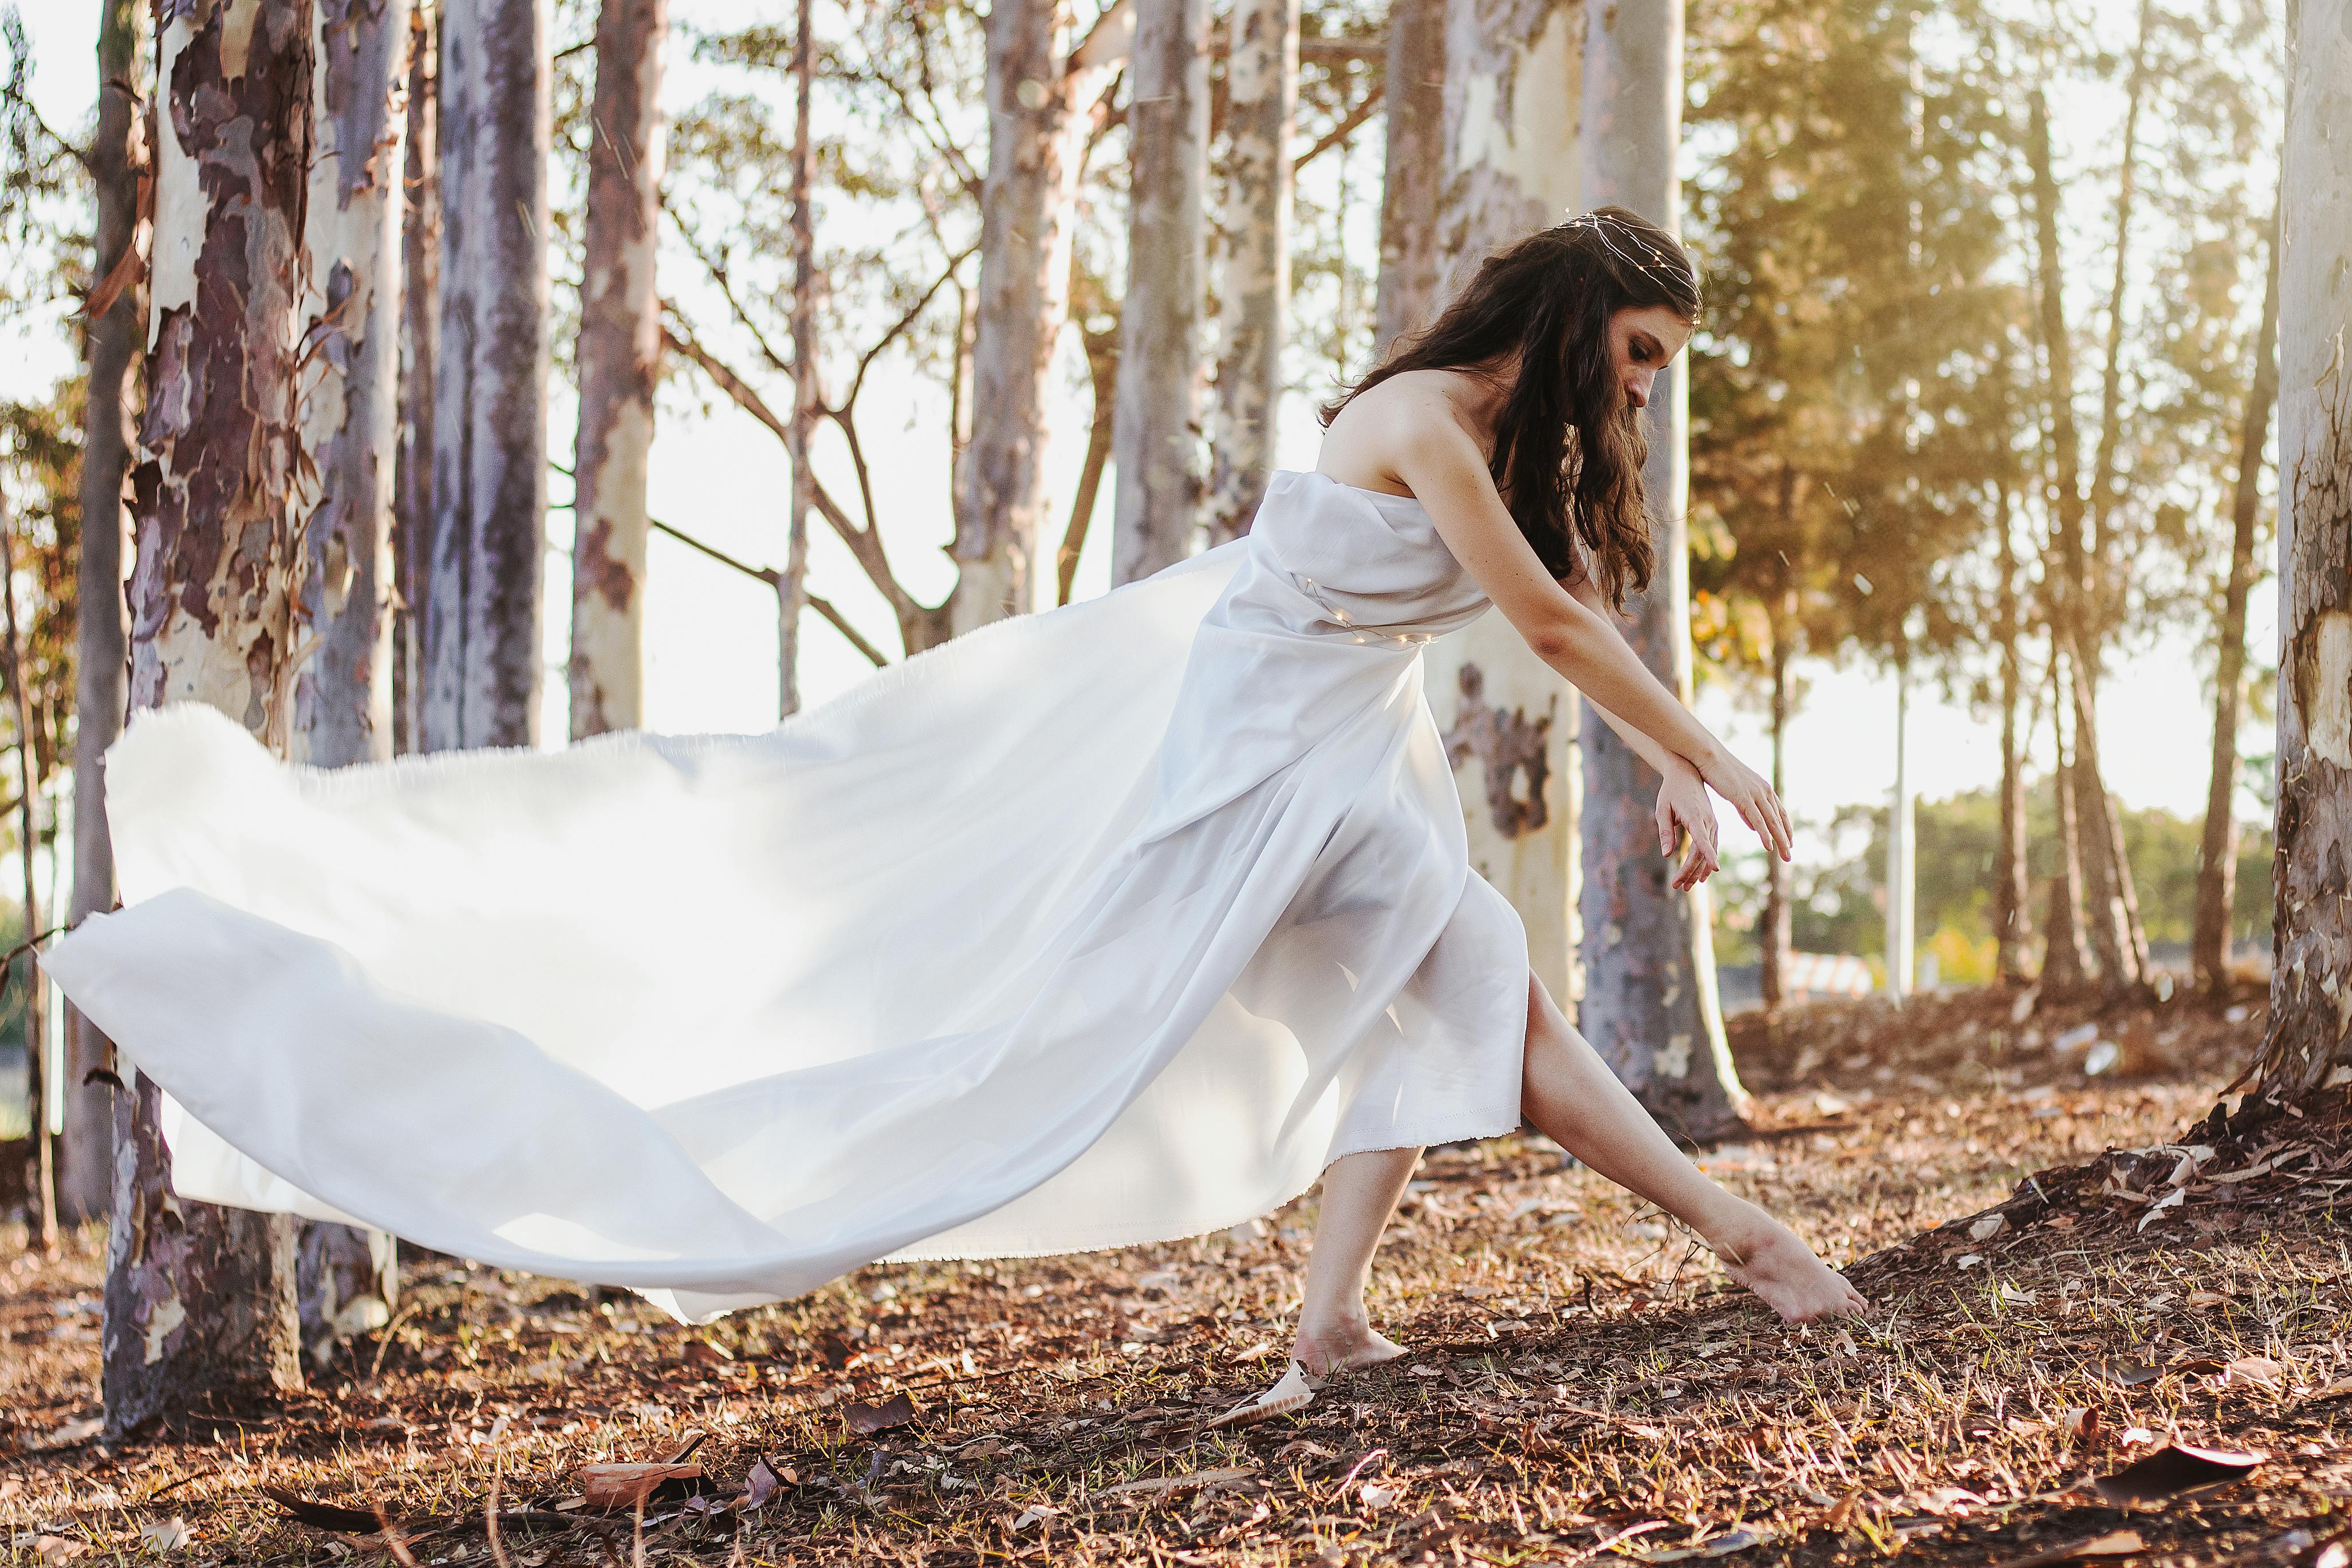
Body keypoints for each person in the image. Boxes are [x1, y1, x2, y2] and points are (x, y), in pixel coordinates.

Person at [46, 206, 1860, 1419]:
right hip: (1243, 767)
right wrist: (1699, 755)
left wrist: (1668, 763)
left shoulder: (1493, 437)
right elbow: (1544, 625)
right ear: (1564, 320)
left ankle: (1385, 1310)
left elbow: (1551, 611)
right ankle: (633, 1152)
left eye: (1652, 369)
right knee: (1014, 1060)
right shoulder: (1414, 418)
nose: (1637, 390)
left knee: (1462, 978)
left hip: (1335, 755)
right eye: (1633, 353)